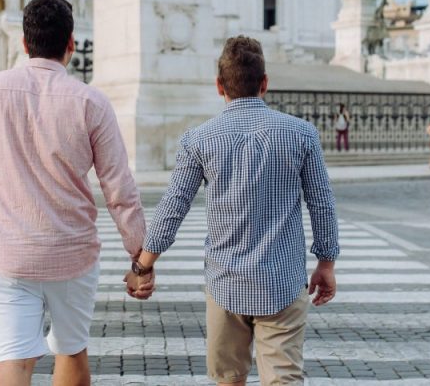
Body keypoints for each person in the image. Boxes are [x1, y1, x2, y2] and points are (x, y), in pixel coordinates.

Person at [0, 0, 147, 386]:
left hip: (10, 256)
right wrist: (140, 258)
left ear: (24, 44)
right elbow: (119, 188)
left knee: (13, 361)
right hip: (72, 254)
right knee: (71, 350)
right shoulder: (92, 102)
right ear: (70, 44)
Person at [131, 36, 339, 385]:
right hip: (283, 282)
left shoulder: (199, 140)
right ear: (265, 83)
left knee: (228, 379)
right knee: (284, 379)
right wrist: (326, 263)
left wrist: (142, 266)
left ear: (218, 86)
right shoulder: (301, 134)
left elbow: (172, 207)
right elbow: (322, 202)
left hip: (225, 284)